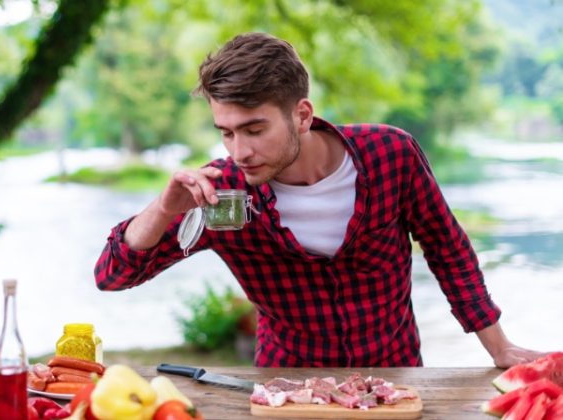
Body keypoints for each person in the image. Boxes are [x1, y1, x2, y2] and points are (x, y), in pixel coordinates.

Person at [93, 32, 545, 367]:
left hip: (397, 379)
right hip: (284, 388)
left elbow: (448, 250)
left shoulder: (391, 155)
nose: (239, 151)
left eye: (254, 130)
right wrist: (163, 209)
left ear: (302, 115)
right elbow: (112, 277)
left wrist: (499, 347)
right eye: (226, 133)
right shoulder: (221, 192)